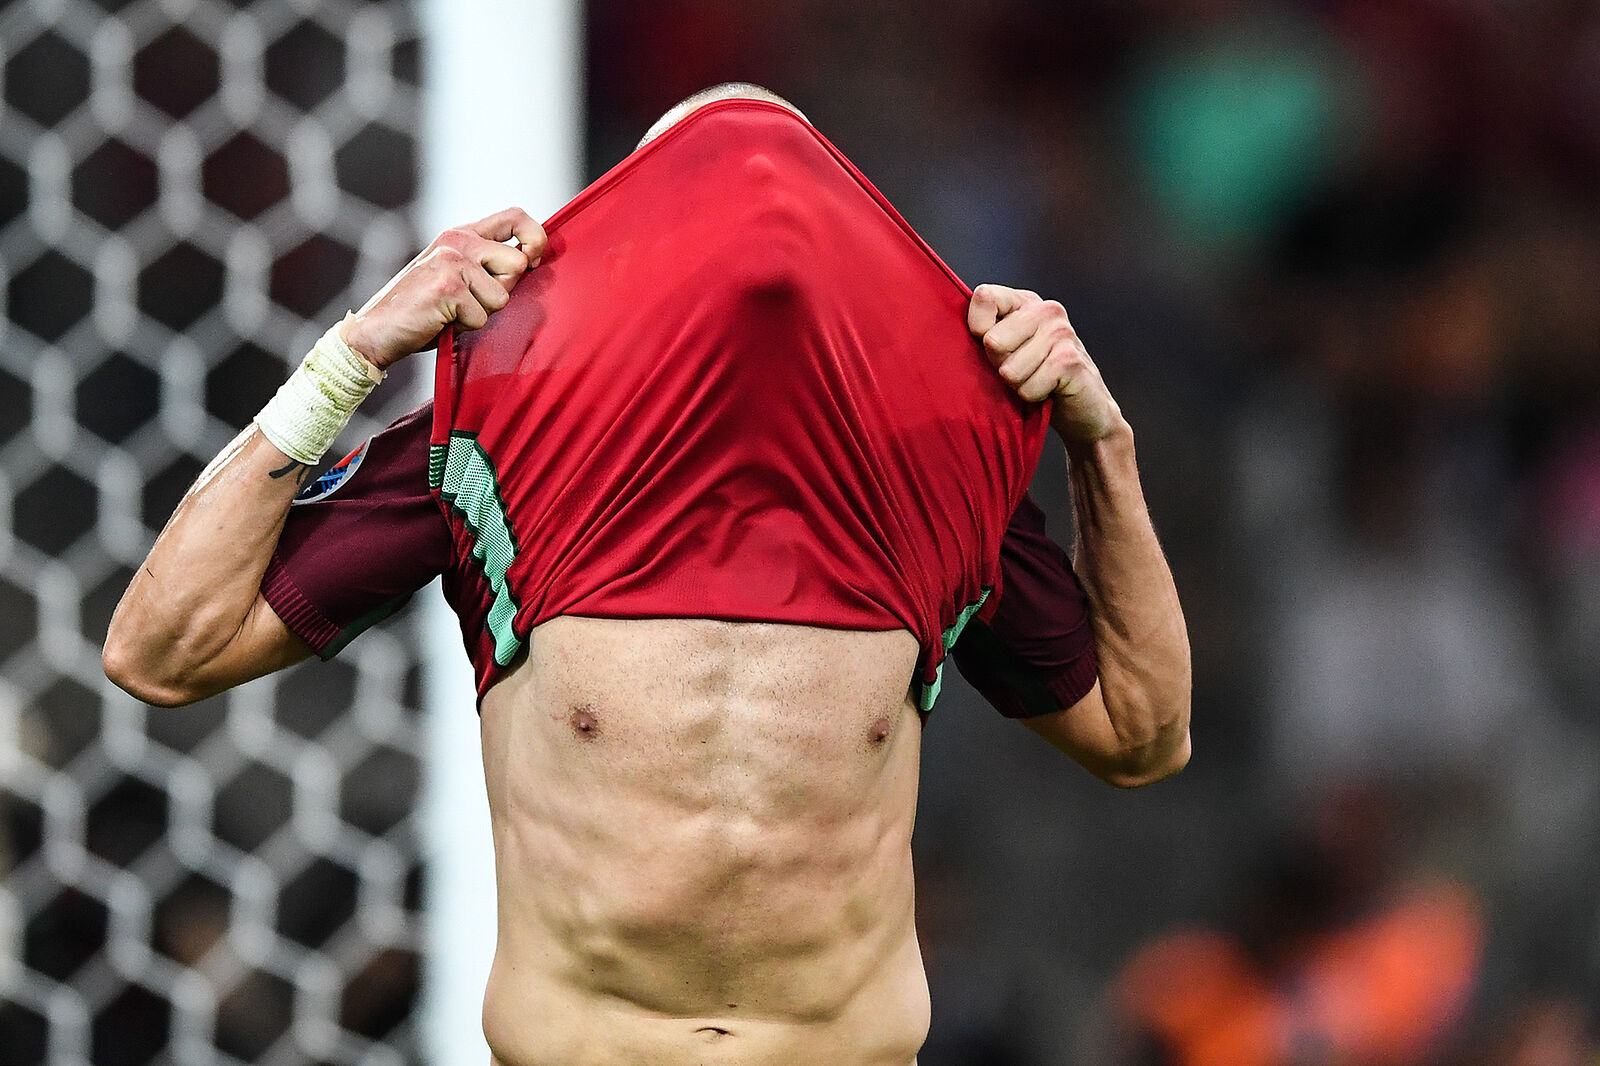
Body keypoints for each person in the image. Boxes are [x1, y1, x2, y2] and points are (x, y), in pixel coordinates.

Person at [103, 85, 1190, 1066]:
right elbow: (159, 648)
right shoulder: (497, 438)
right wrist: (353, 354)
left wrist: (1103, 443)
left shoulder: (926, 468)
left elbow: (1144, 735)